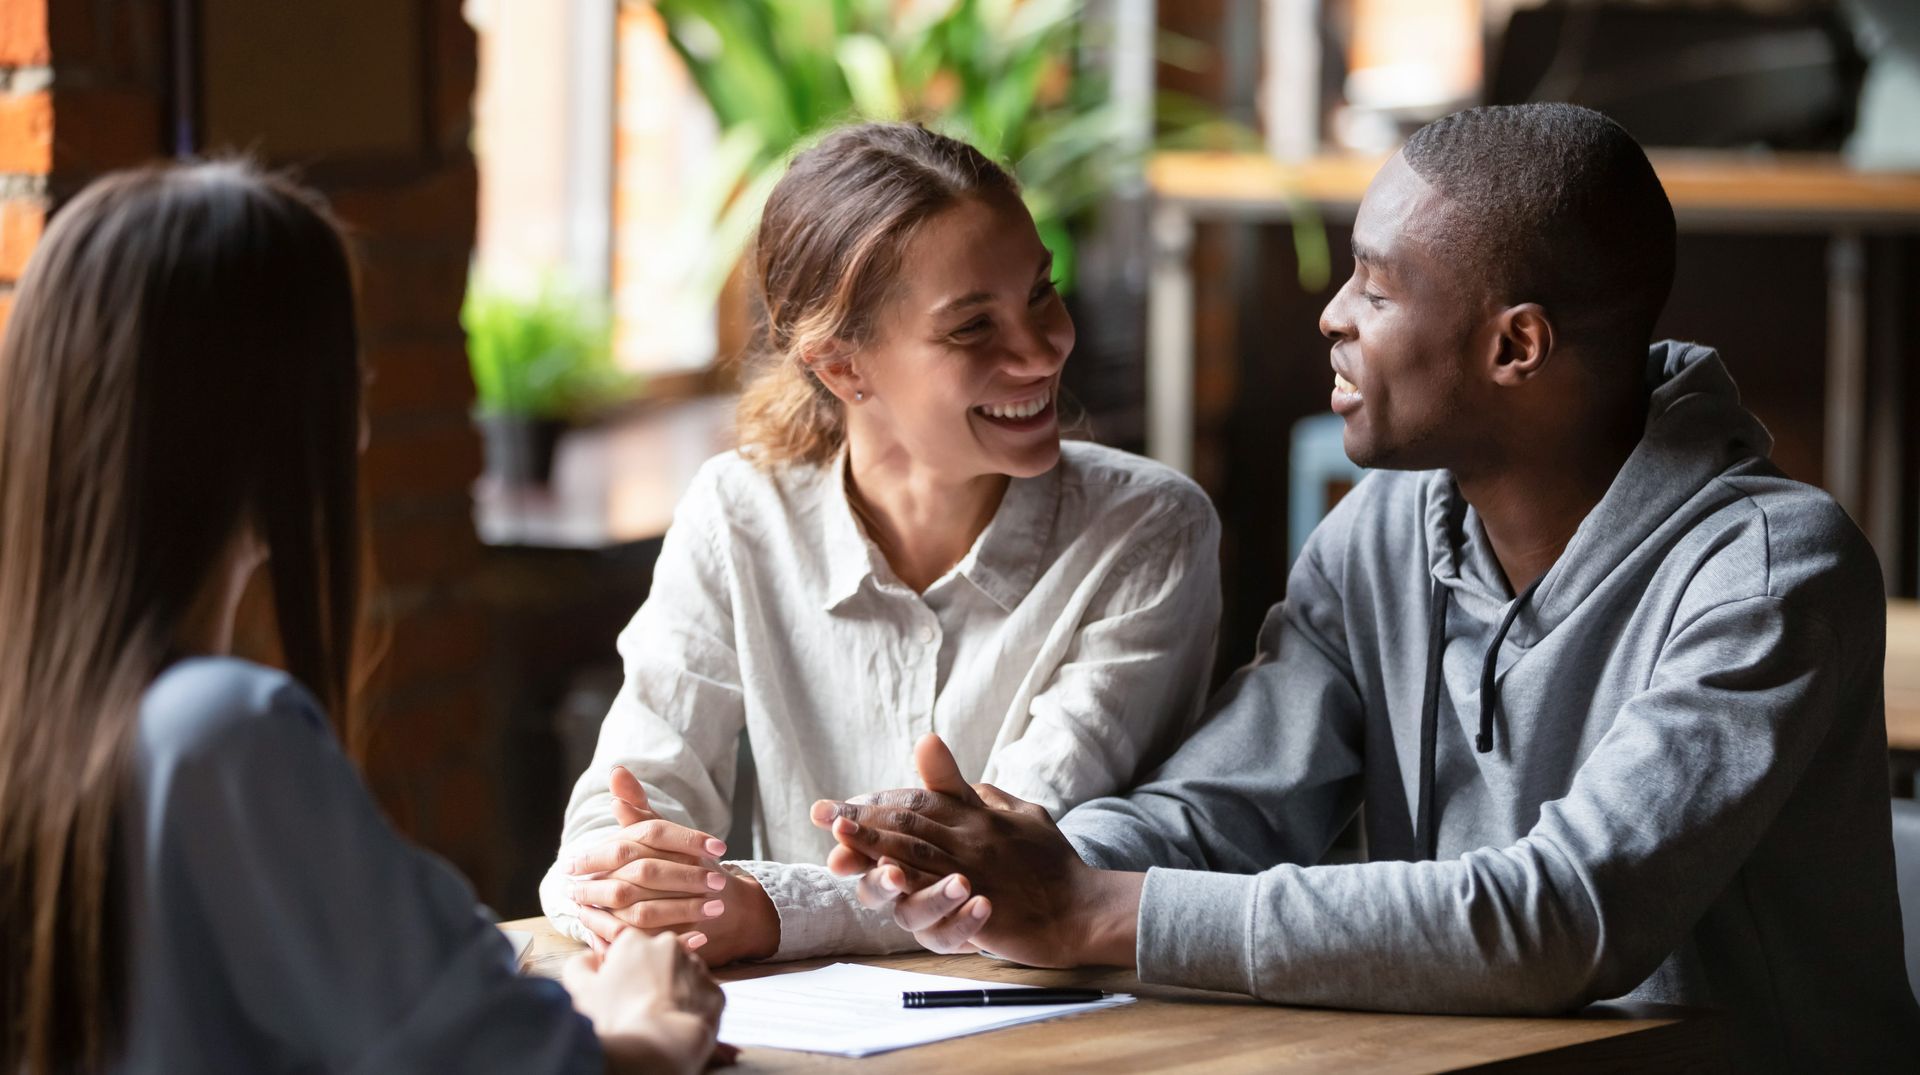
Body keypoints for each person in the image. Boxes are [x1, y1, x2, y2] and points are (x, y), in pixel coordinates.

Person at [814, 103, 1920, 1070]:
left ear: (1516, 347)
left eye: (1378, 290)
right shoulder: (1385, 528)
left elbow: (1562, 917)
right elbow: (1218, 809)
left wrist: (1095, 908)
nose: (1331, 314)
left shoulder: (1772, 571)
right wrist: (1016, 868)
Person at [0, 161, 723, 1074]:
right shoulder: (220, 732)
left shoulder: (52, 718)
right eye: (346, 375)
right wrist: (647, 1029)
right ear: (277, 416)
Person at [540, 122, 1221, 966]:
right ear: (841, 368)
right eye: (974, 327)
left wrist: (771, 912)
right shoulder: (736, 512)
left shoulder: (1149, 531)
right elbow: (624, 805)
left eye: (1040, 291)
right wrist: (614, 878)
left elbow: (1008, 870)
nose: (1045, 347)